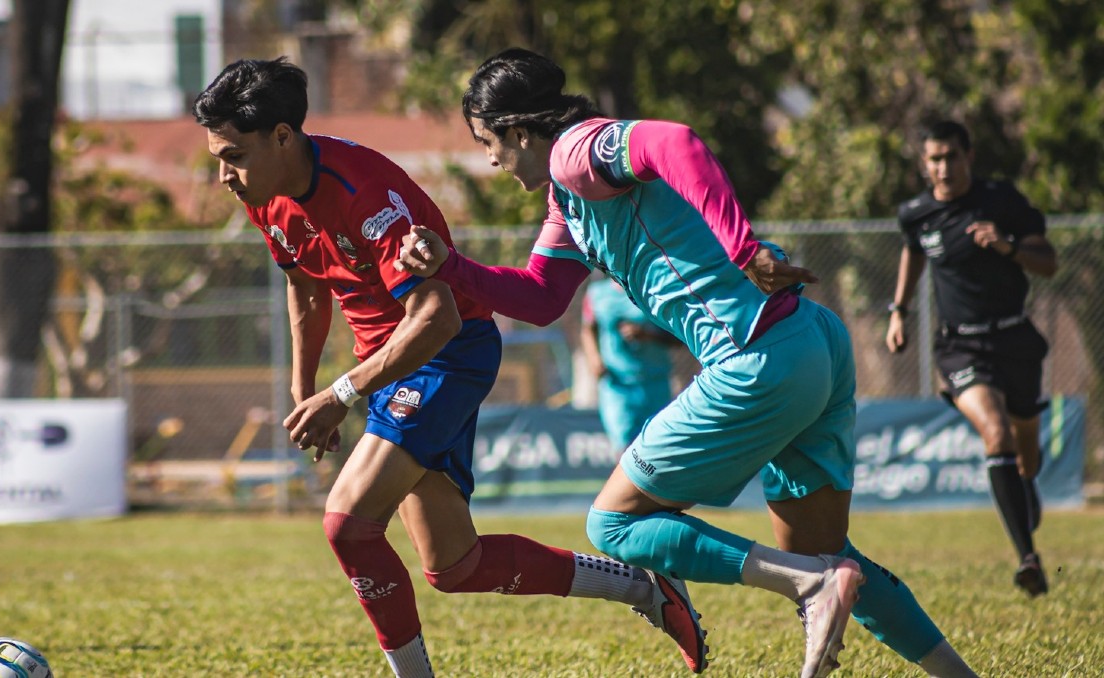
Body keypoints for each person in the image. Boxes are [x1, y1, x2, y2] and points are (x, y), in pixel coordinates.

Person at [397, 47, 978, 678]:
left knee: (613, 526)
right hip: (811, 340)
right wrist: (450, 266)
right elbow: (540, 297)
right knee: (825, 549)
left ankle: (810, 585)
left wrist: (743, 247)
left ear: (517, 131)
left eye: (488, 142)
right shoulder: (568, 199)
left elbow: (675, 142)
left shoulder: (574, 151)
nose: (491, 160)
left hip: (756, 356)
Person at [192, 56, 711, 677]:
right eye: (218, 158)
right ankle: (643, 588)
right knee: (455, 566)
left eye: (233, 156)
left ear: (282, 136)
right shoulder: (267, 193)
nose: (224, 175)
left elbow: (435, 317)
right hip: (391, 366)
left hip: (445, 354)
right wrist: (307, 393)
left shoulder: (364, 193)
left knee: (348, 525)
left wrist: (341, 394)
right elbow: (304, 287)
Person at [887, 120, 1058, 598]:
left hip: (1015, 339)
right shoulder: (916, 214)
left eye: (951, 157)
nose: (943, 167)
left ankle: (1025, 483)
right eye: (934, 159)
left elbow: (1048, 262)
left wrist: (1009, 247)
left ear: (969, 156)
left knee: (1026, 449)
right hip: (959, 346)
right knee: (996, 432)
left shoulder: (1001, 200)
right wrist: (899, 311)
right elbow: (913, 253)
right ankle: (1027, 558)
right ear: (924, 163)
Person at [580, 278, 676, 453]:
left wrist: (647, 334)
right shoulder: (597, 294)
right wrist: (594, 359)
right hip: (617, 384)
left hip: (655, 383)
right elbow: (588, 329)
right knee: (624, 447)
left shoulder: (654, 289)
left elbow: (678, 339)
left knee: (659, 447)